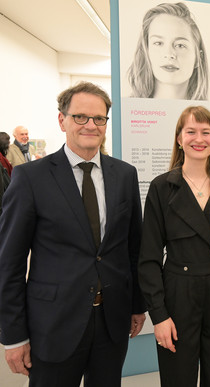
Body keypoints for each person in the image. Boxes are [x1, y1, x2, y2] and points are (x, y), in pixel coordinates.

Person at [0, 81, 146, 386]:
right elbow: (9, 262)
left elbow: (132, 249)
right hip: (54, 322)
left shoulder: (124, 175)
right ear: (62, 120)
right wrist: (13, 336)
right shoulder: (31, 178)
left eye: (99, 118)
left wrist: (136, 305)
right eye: (80, 117)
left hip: (111, 321)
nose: (90, 125)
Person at [138, 106, 210, 386]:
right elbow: (149, 258)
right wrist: (159, 316)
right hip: (178, 293)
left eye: (205, 132)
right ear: (179, 138)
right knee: (178, 377)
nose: (198, 139)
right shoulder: (162, 187)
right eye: (191, 131)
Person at [127, 2, 208, 100]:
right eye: (158, 43)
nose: (169, 54)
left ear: (198, 58)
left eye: (180, 45)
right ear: (146, 52)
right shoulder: (128, 109)